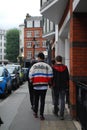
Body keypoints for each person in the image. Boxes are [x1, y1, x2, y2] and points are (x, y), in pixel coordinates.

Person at [29, 52, 53, 120]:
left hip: (36, 86)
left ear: (39, 58)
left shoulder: (34, 66)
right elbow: (50, 75)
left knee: (36, 100)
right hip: (44, 86)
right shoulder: (47, 66)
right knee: (42, 100)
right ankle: (41, 115)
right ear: (43, 58)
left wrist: (32, 80)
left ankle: (35, 113)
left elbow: (30, 75)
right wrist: (49, 83)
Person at [52, 55, 69, 120]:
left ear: (56, 60)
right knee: (62, 100)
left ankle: (56, 111)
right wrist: (67, 86)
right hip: (63, 86)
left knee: (56, 99)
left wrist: (50, 84)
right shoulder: (65, 67)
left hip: (55, 86)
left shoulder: (54, 68)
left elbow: (52, 77)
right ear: (61, 60)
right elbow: (67, 77)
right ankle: (61, 115)